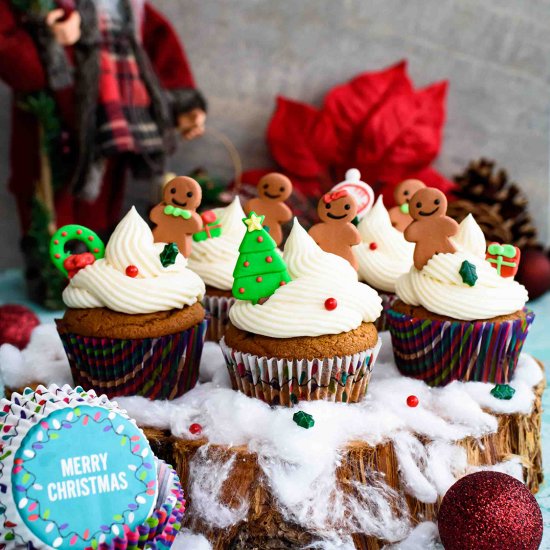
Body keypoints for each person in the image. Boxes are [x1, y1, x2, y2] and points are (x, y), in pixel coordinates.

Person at [0, 0, 207, 306]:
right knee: (46, 197)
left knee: (102, 201)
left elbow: (159, 46)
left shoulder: (127, 6)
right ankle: (53, 280)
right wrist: (48, 41)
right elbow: (10, 50)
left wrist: (184, 104)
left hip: (110, 123)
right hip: (52, 124)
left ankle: (98, 279)